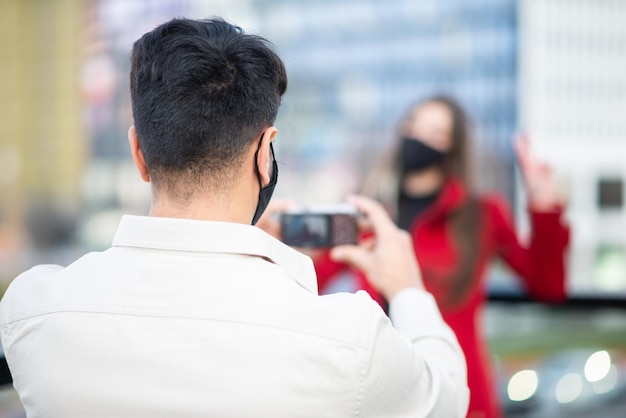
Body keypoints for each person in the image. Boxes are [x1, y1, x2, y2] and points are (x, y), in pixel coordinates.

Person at [0, 18, 469, 417]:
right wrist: (407, 287)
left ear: (138, 153)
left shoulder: (32, 309)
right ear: (266, 154)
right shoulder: (349, 338)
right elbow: (446, 398)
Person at [302, 96, 570, 418]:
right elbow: (310, 280)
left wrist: (543, 202)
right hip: (381, 390)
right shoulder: (370, 214)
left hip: (458, 388)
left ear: (452, 146)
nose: (418, 138)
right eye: (414, 125)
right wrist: (284, 239)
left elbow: (548, 286)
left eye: (435, 132)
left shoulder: (482, 214)